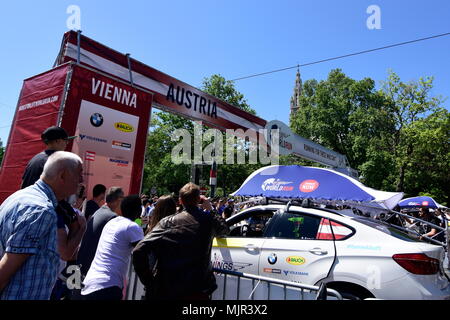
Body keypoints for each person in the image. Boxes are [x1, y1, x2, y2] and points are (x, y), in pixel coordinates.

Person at [0, 151, 83, 299]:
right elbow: (6, 269)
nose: (81, 180)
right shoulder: (42, 210)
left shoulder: (20, 197)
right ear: (62, 175)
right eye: (79, 174)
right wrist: (81, 229)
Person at [132, 182, 229, 300]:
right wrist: (211, 210)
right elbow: (224, 230)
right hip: (196, 288)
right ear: (199, 199)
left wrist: (149, 281)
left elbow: (138, 250)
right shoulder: (208, 221)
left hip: (169, 288)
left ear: (180, 201)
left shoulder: (167, 222)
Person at [81, 195, 144, 300]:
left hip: (90, 283)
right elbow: (142, 250)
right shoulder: (132, 227)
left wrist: (138, 221)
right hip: (108, 286)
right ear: (139, 210)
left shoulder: (112, 222)